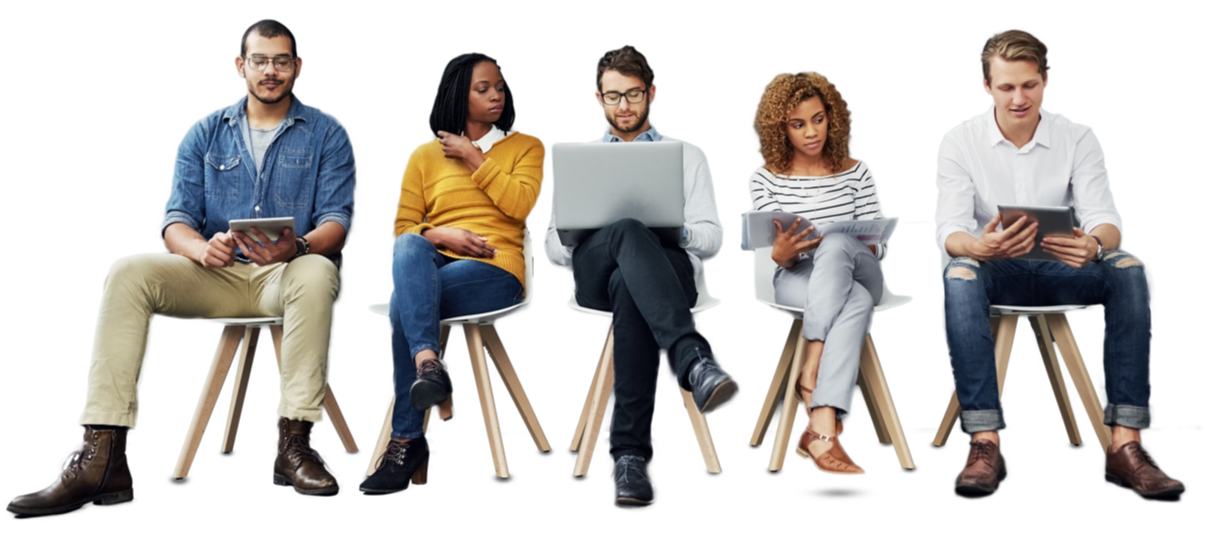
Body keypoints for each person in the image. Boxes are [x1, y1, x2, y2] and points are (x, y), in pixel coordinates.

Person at [5, 18, 359, 519]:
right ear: (240, 66)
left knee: (320, 270)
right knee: (128, 272)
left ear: (297, 67)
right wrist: (197, 249)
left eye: (282, 60)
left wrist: (297, 245)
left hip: (290, 275)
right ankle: (102, 457)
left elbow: (339, 222)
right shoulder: (204, 131)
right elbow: (174, 220)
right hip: (217, 275)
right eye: (260, 60)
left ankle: (294, 445)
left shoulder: (329, 131)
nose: (271, 71)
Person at [936, 28, 1187, 502]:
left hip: (1061, 268)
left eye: (1029, 85)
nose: (1018, 98)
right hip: (994, 270)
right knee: (960, 271)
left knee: (1131, 268)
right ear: (987, 85)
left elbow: (1105, 217)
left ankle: (1126, 445)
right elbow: (949, 230)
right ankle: (985, 442)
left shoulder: (1077, 137)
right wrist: (978, 245)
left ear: (1046, 80)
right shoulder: (959, 141)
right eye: (1006, 87)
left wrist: (1094, 244)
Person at [543, 44, 739, 512]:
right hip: (594, 268)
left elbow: (713, 241)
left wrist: (675, 230)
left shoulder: (687, 155)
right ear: (598, 99)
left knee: (634, 285)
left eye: (632, 94)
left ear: (652, 92)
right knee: (628, 231)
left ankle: (629, 460)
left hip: (667, 272)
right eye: (612, 97)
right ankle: (695, 360)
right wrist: (579, 234)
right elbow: (551, 248)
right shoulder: (580, 156)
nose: (623, 106)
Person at [358, 52, 544, 496]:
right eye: (483, 89)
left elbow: (520, 206)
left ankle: (406, 441)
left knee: (406, 305)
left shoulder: (527, 147)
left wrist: (474, 158)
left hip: (494, 269)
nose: (496, 95)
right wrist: (441, 234)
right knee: (409, 247)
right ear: (458, 96)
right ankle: (430, 363)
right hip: (431, 263)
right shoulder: (423, 156)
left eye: (499, 86)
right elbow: (402, 230)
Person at [748, 70, 889, 476]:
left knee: (837, 244)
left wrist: (856, 242)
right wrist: (784, 253)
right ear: (781, 128)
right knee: (855, 303)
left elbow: (880, 242)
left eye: (818, 119)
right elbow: (774, 251)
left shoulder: (857, 170)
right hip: (799, 278)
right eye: (798, 124)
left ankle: (810, 368)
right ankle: (822, 430)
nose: (811, 132)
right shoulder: (765, 179)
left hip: (861, 270)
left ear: (833, 117)